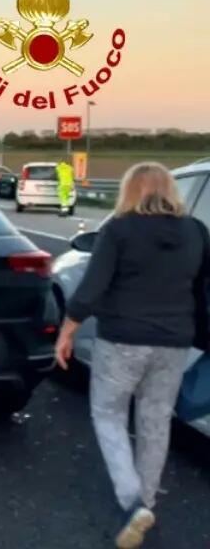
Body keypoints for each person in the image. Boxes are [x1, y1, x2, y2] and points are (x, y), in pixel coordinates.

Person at [54, 163, 210, 549]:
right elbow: (201, 289)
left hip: (122, 338)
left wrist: (68, 330)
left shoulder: (119, 230)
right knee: (156, 419)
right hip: (175, 341)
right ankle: (149, 499)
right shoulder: (196, 232)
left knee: (108, 413)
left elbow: (92, 287)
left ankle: (132, 500)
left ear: (129, 191)